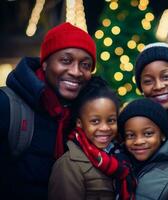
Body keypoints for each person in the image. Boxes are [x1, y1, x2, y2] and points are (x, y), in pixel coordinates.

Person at [0, 22, 96, 200]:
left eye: (85, 64)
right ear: (45, 63)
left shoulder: (84, 117)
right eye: (66, 61)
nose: (76, 72)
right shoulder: (7, 106)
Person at [48, 76, 136, 200]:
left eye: (111, 120)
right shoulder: (69, 165)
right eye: (95, 121)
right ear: (80, 123)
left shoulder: (122, 156)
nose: (105, 128)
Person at [118, 98, 168, 200]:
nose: (139, 141)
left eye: (148, 133)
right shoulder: (118, 166)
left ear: (163, 135)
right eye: (131, 135)